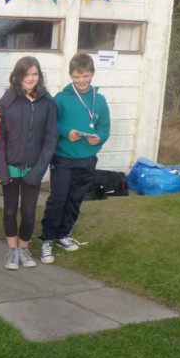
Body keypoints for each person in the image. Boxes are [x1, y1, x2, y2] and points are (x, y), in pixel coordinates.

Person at [38, 54, 110, 262]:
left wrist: (100, 138)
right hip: (63, 158)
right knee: (58, 199)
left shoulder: (100, 100)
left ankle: (63, 234)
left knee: (75, 199)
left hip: (87, 158)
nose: (82, 81)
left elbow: (105, 127)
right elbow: (51, 124)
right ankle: (47, 239)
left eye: (86, 76)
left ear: (93, 74)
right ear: (71, 75)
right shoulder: (61, 98)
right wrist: (66, 132)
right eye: (78, 77)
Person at [0, 56, 58, 270]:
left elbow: (50, 140)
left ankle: (23, 248)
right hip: (11, 166)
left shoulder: (47, 102)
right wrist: (1, 169)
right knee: (10, 210)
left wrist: (38, 171)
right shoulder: (8, 99)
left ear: (39, 76)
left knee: (29, 213)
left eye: (34, 74)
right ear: (17, 76)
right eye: (26, 74)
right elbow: (0, 137)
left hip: (33, 168)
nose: (30, 78)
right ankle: (12, 252)